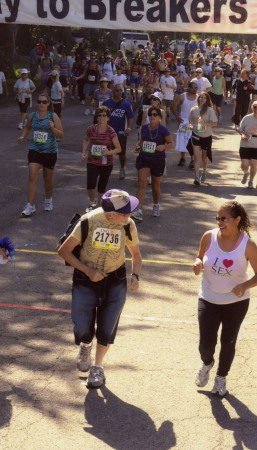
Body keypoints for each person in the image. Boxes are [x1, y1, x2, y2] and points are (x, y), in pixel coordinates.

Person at [58, 189, 142, 388]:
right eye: (125, 212)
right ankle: (86, 345)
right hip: (85, 280)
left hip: (115, 280)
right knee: (82, 325)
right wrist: (88, 271)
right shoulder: (88, 221)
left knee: (107, 326)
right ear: (110, 214)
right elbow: (64, 251)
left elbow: (136, 255)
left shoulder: (128, 225)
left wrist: (135, 275)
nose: (130, 215)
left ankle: (97, 367)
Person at [193, 201, 257, 396]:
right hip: (208, 297)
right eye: (217, 218)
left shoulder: (247, 244)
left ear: (237, 219)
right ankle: (207, 363)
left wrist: (244, 286)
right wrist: (197, 263)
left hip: (236, 303)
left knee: (228, 341)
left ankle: (221, 378)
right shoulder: (208, 237)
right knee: (206, 343)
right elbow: (200, 257)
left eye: (224, 218)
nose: (219, 222)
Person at [17, 93, 63, 216]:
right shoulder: (31, 115)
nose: (41, 104)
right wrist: (22, 136)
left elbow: (61, 135)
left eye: (44, 102)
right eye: (39, 102)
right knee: (32, 176)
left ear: (48, 104)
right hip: (35, 149)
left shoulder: (53, 116)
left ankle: (48, 199)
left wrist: (53, 129)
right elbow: (27, 128)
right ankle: (30, 205)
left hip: (50, 151)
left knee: (47, 178)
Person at [131, 106, 174, 221]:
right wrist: (137, 146)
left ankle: (156, 204)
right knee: (141, 182)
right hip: (144, 158)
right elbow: (141, 140)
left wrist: (163, 146)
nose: (152, 117)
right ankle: (138, 210)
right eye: (150, 114)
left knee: (155, 186)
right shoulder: (144, 128)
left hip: (158, 159)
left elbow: (171, 144)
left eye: (155, 114)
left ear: (159, 117)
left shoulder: (163, 130)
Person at [81, 106, 121, 209]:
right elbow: (86, 139)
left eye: (104, 115)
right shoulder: (91, 129)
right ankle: (92, 202)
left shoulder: (110, 131)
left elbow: (118, 148)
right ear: (97, 117)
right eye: (99, 115)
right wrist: (83, 152)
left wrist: (109, 152)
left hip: (106, 163)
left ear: (108, 118)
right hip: (92, 161)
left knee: (101, 188)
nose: (102, 117)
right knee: (90, 185)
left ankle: (98, 207)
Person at [103, 84, 134, 180]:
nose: (119, 92)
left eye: (121, 90)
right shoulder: (106, 103)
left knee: (122, 153)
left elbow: (130, 117)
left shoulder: (126, 104)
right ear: (113, 92)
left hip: (121, 133)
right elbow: (99, 116)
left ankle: (122, 168)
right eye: (117, 90)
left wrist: (129, 128)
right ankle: (104, 169)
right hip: (107, 133)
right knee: (106, 152)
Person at [238, 101, 257, 189]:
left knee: (253, 163)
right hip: (245, 145)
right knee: (244, 164)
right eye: (255, 107)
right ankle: (246, 173)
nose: (256, 109)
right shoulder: (246, 118)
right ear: (252, 108)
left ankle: (251, 181)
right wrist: (243, 135)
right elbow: (239, 129)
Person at [189, 92, 217, 186]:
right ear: (198, 98)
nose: (202, 99)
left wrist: (205, 124)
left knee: (204, 157)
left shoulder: (210, 110)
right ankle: (196, 177)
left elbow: (215, 123)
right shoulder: (194, 109)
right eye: (201, 97)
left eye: (204, 98)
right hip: (196, 135)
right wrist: (191, 126)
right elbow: (190, 121)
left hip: (206, 136)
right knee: (196, 157)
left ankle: (204, 172)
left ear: (207, 100)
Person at [172, 81, 198, 167]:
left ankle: (192, 160)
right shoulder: (182, 96)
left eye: (196, 88)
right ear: (189, 88)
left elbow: (205, 107)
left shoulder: (199, 98)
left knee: (193, 141)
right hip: (184, 121)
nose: (195, 89)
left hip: (194, 122)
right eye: (193, 87)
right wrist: (177, 117)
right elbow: (174, 105)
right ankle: (182, 158)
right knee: (183, 140)